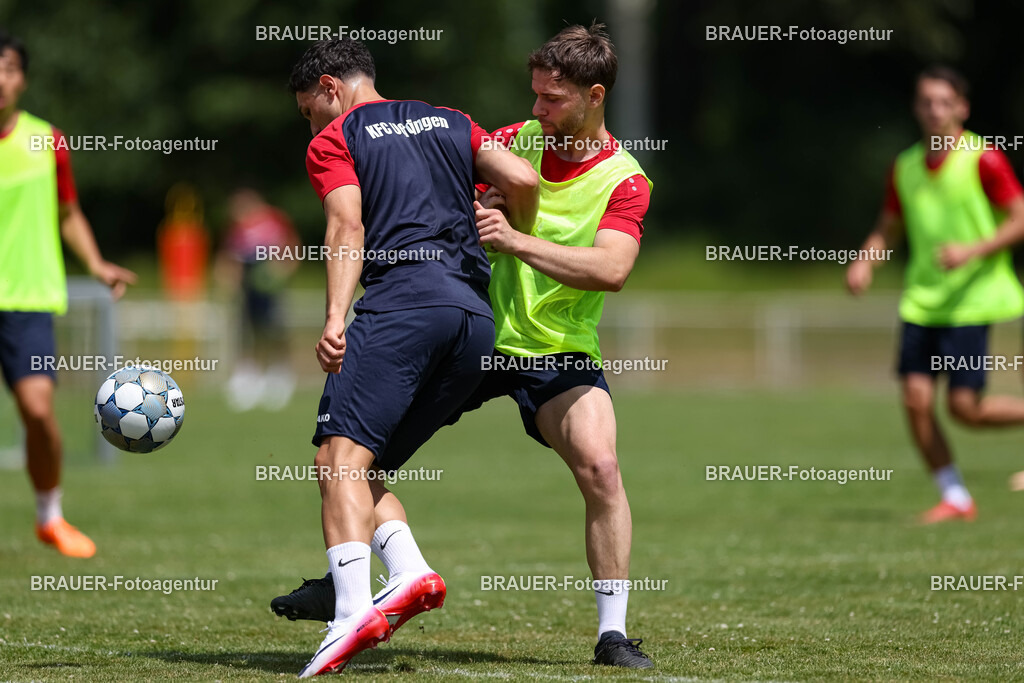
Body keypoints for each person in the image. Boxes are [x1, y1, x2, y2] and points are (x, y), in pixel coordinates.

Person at [273, 23, 655, 669]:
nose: (535, 110)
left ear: (594, 97)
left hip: (553, 344)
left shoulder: (624, 179)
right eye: (534, 95)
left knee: (602, 468)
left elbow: (611, 271)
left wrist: (516, 238)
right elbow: (441, 178)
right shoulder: (509, 140)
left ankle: (612, 633)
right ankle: (354, 580)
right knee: (358, 457)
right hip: (479, 327)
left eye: (552, 99)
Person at [284, 39, 537, 677]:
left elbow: (346, 228)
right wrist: (512, 238)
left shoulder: (337, 136)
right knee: (366, 463)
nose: (310, 124)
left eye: (308, 109)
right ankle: (410, 574)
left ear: (329, 87)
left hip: (402, 308)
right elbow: (523, 179)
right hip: (473, 324)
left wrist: (336, 318)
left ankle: (350, 614)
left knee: (336, 459)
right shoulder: (450, 119)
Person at [846, 65, 1024, 523]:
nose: (934, 110)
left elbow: (1019, 219)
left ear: (962, 108)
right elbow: (887, 228)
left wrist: (973, 249)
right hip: (923, 300)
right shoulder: (904, 166)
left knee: (965, 408)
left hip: (971, 299)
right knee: (914, 400)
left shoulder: (984, 158)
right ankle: (955, 497)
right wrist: (866, 261)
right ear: (916, 107)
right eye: (926, 101)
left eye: (945, 102)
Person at [0, 30, 136, 558]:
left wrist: (97, 263)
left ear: (23, 79)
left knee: (38, 411)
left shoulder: (46, 140)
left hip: (29, 299)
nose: (0, 79)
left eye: (8, 68)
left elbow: (68, 211)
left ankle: (49, 515)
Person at [216, 188, 300, 411]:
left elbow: (292, 249)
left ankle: (279, 376)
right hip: (247, 289)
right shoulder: (238, 227)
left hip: (270, 289)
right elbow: (229, 256)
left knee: (273, 330)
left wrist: (279, 271)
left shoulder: (274, 220)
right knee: (246, 333)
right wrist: (228, 279)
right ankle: (247, 379)